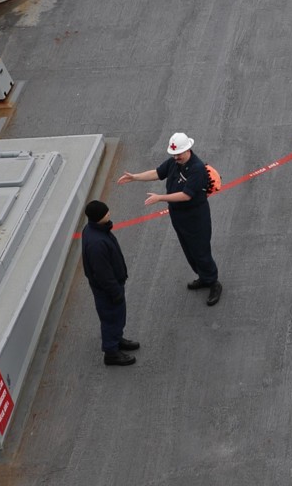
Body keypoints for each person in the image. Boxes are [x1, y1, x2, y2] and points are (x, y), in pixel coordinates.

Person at [118, 132, 221, 306]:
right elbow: (157, 173)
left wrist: (160, 198)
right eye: (174, 154)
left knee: (201, 251)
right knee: (189, 250)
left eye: (179, 154)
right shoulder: (175, 163)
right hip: (179, 216)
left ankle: (213, 282)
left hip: (195, 217)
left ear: (188, 149)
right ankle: (203, 276)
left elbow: (186, 195)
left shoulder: (196, 169)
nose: (176, 157)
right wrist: (135, 177)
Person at [81, 199, 141, 366]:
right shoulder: (97, 243)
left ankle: (116, 340)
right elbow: (103, 273)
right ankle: (111, 352)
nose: (109, 213)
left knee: (116, 317)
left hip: (108, 286)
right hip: (108, 289)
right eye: (106, 212)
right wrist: (115, 291)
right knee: (111, 318)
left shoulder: (93, 231)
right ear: (99, 217)